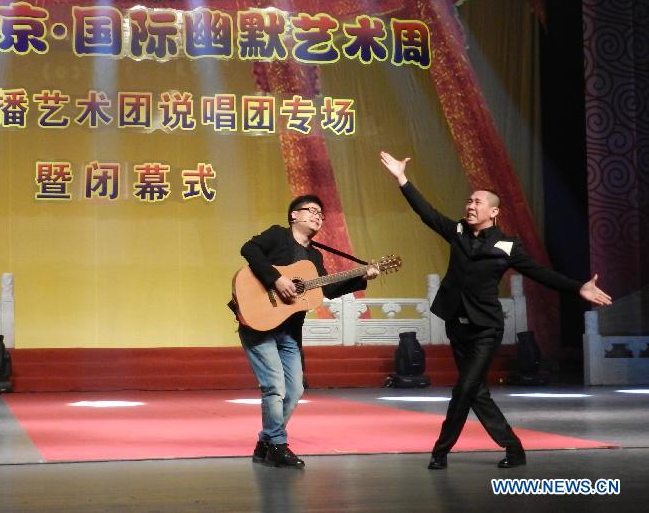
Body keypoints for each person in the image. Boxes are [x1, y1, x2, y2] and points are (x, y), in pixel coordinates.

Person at [379, 151, 612, 470]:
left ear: (494, 211)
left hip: (485, 329)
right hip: (457, 325)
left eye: (477, 202)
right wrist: (402, 179)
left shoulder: (507, 246)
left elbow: (539, 272)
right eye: (468, 202)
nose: (470, 206)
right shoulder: (458, 232)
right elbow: (427, 213)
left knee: (464, 388)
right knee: (475, 391)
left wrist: (577, 287)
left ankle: (440, 450)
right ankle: (514, 449)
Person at [238, 195, 379, 468]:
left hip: (289, 330)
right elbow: (249, 249)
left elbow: (325, 290)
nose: (317, 216)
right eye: (311, 211)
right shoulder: (278, 236)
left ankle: (265, 443)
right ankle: (277, 445)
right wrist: (277, 279)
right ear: (294, 216)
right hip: (259, 323)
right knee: (274, 387)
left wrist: (361, 277)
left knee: (295, 389)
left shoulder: (314, 256)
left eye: (320, 214)